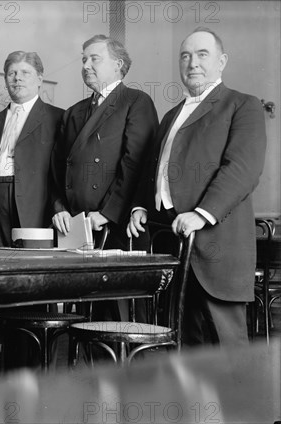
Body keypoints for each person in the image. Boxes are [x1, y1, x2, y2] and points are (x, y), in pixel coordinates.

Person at [127, 28, 267, 346]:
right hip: (173, 246)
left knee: (226, 348)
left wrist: (202, 214)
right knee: (184, 345)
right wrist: (141, 207)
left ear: (222, 61)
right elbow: (154, 169)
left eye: (202, 54)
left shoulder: (242, 106)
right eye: (186, 56)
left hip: (218, 244)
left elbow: (243, 169)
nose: (193, 63)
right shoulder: (171, 115)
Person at [51, 35, 158, 250]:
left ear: (118, 65)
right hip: (74, 225)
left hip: (117, 226)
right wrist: (58, 208)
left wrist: (107, 213)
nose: (86, 66)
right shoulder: (73, 112)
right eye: (84, 60)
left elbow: (135, 165)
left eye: (94, 59)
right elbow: (56, 168)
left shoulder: (135, 101)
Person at [0, 51, 63, 246]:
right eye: (12, 73)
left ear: (39, 79)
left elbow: (64, 173)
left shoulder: (59, 119)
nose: (17, 78)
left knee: (32, 261)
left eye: (25, 73)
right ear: (5, 80)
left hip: (36, 201)